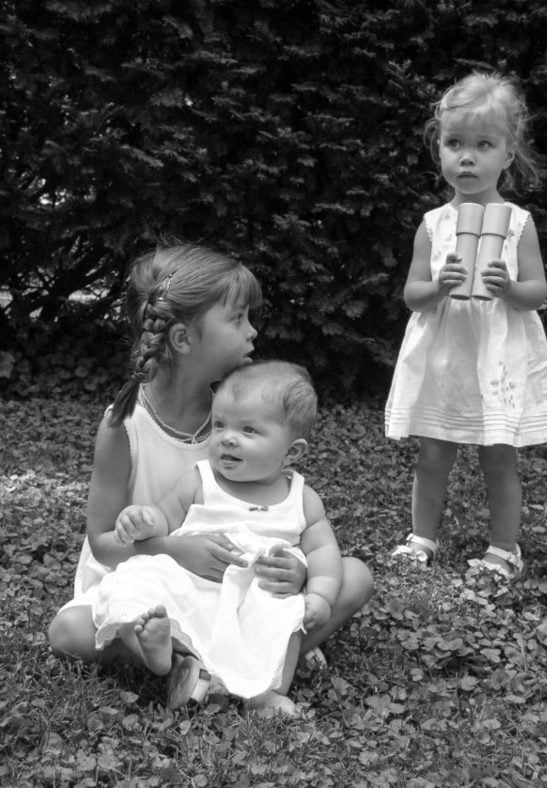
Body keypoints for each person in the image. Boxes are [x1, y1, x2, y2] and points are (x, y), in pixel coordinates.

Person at [48, 243, 374, 702]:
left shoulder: (240, 416)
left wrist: (297, 573)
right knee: (67, 630)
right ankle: (236, 659)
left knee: (354, 575)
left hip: (237, 585)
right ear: (183, 339)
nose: (253, 332)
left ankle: (201, 669)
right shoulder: (123, 426)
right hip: (153, 581)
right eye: (238, 319)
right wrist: (176, 552)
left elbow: (276, 518)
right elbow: (103, 543)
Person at [93, 360, 342, 716]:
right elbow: (164, 516)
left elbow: (323, 551)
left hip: (257, 595)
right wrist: (143, 519)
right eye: (220, 424)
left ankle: (264, 695)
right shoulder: (200, 479)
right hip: (195, 585)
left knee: (282, 619)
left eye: (249, 431)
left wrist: (318, 594)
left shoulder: (301, 498)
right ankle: (163, 653)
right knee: (137, 583)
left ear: (293, 452)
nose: (227, 437)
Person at [384, 72, 547, 580]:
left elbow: (538, 295)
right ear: (438, 149)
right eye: (454, 143)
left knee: (498, 456)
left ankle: (505, 547)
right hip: (445, 356)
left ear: (507, 154)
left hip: (495, 357)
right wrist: (438, 286)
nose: (467, 157)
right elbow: (413, 295)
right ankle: (421, 538)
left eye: (483, 145)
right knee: (434, 451)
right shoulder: (433, 223)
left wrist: (508, 287)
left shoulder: (519, 223)